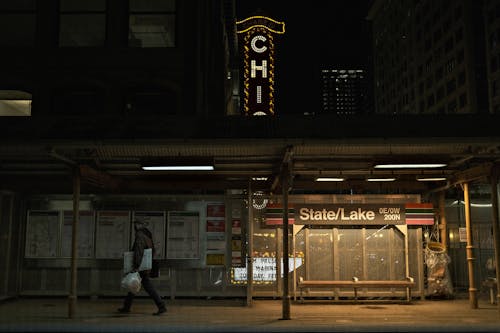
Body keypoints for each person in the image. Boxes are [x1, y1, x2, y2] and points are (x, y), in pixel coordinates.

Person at [118, 220, 166, 315]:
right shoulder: (147, 235)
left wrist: (136, 266)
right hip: (145, 266)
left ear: (138, 226)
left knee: (142, 285)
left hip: (141, 267)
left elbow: (138, 251)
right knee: (134, 285)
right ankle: (127, 306)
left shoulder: (140, 236)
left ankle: (161, 305)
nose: (134, 226)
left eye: (136, 224)